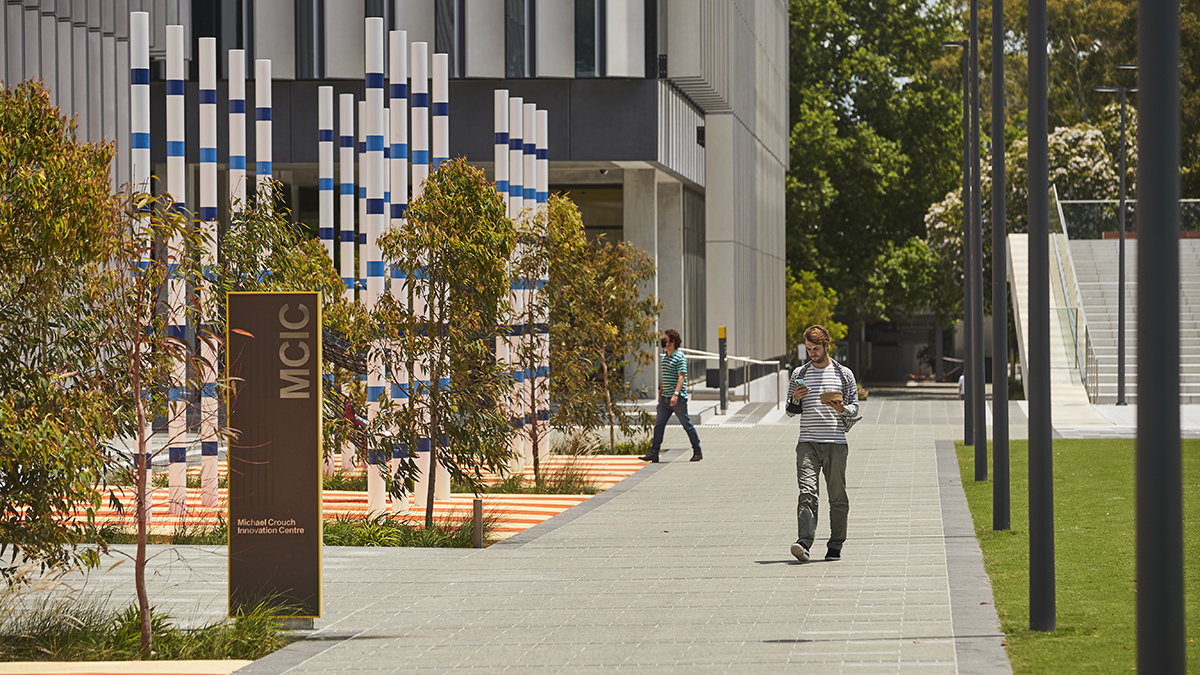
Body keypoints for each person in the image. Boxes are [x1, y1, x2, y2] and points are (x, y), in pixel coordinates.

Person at [786, 325, 860, 562]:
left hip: (835, 442)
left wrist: (842, 408)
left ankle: (836, 545)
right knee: (807, 492)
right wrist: (796, 399)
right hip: (807, 442)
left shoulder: (843, 374)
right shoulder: (800, 373)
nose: (812, 353)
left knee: (837, 496)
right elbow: (789, 410)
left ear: (827, 345)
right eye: (808, 349)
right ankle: (804, 543)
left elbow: (855, 407)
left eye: (816, 348)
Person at [640, 329, 703, 463]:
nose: (663, 341)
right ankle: (654, 453)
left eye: (665, 339)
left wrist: (675, 395)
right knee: (659, 425)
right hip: (664, 399)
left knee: (686, 424)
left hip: (677, 399)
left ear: (672, 342)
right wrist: (660, 392)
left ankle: (697, 451)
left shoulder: (679, 357)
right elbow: (665, 377)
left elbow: (681, 377)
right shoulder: (665, 357)